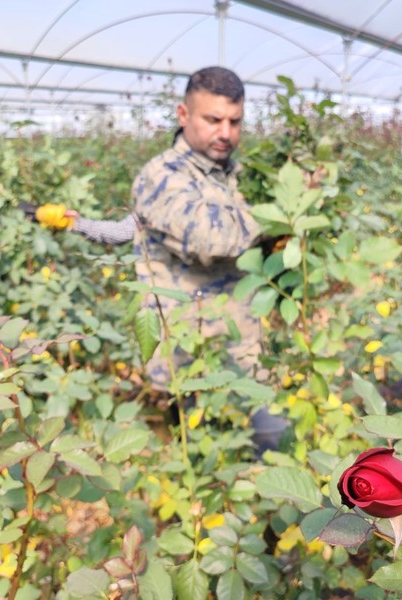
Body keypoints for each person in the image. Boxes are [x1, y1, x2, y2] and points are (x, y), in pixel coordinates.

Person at [67, 66, 288, 453]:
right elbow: (210, 239)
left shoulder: (229, 173)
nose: (225, 132)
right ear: (183, 115)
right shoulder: (162, 176)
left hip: (239, 338)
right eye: (213, 119)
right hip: (192, 351)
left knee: (267, 441)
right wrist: (287, 212)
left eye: (234, 121)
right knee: (205, 454)